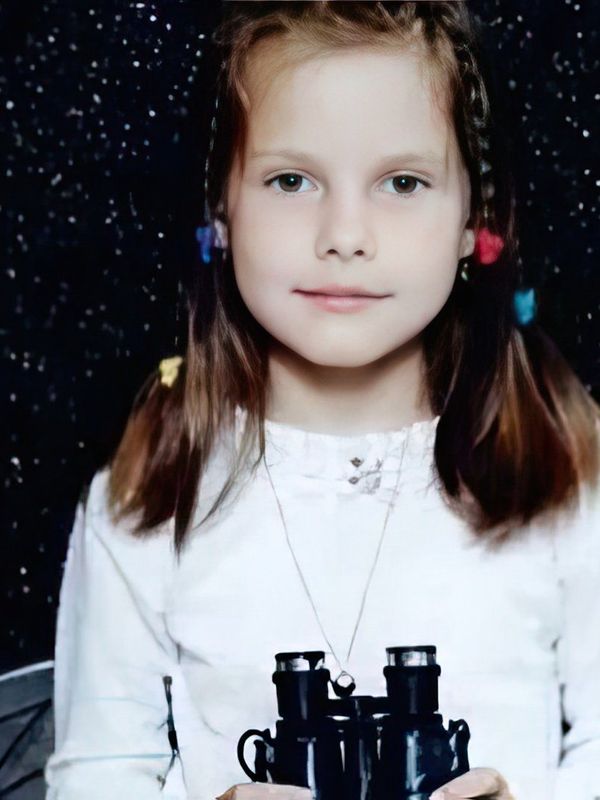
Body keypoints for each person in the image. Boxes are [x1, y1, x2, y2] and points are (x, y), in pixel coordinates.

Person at [44, 3, 600, 800]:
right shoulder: (149, 494)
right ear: (221, 210)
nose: (344, 234)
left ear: (474, 219)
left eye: (402, 182)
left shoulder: (563, 470)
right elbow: (97, 775)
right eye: (291, 180)